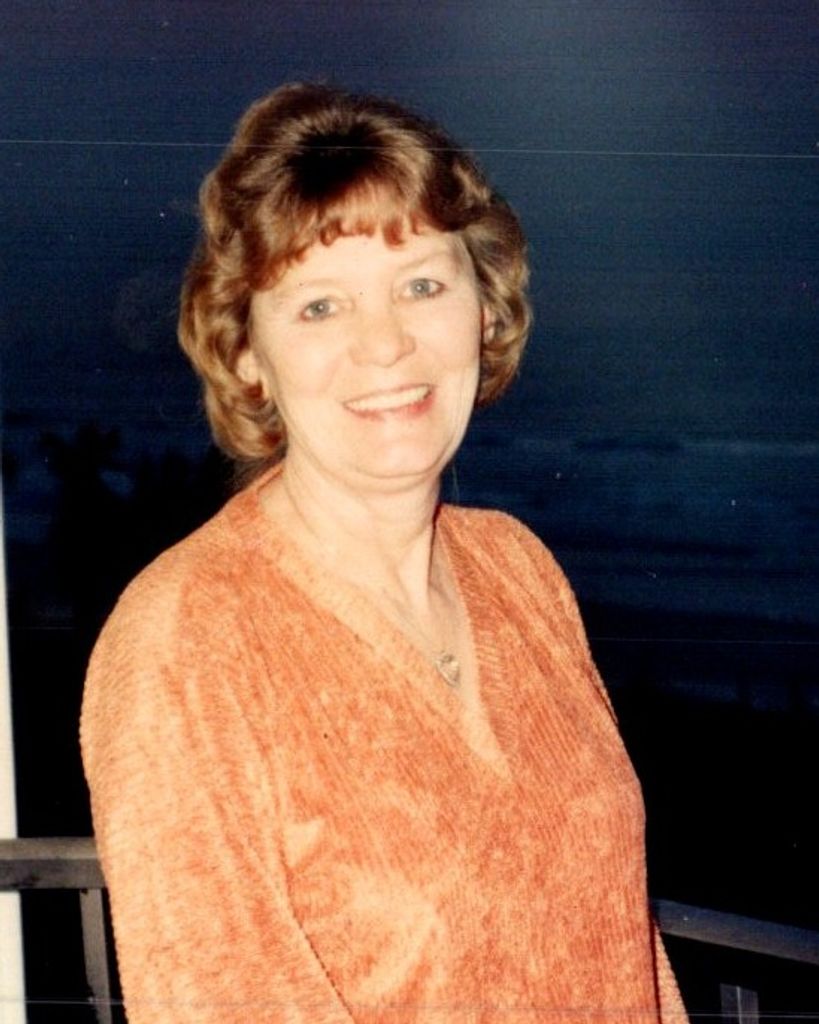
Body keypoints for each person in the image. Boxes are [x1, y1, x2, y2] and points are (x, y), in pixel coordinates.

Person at [81, 82, 688, 1023]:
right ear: (246, 355)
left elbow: (628, 955)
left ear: (483, 310)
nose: (386, 345)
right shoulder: (187, 637)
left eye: (421, 286)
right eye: (321, 306)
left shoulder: (516, 568)